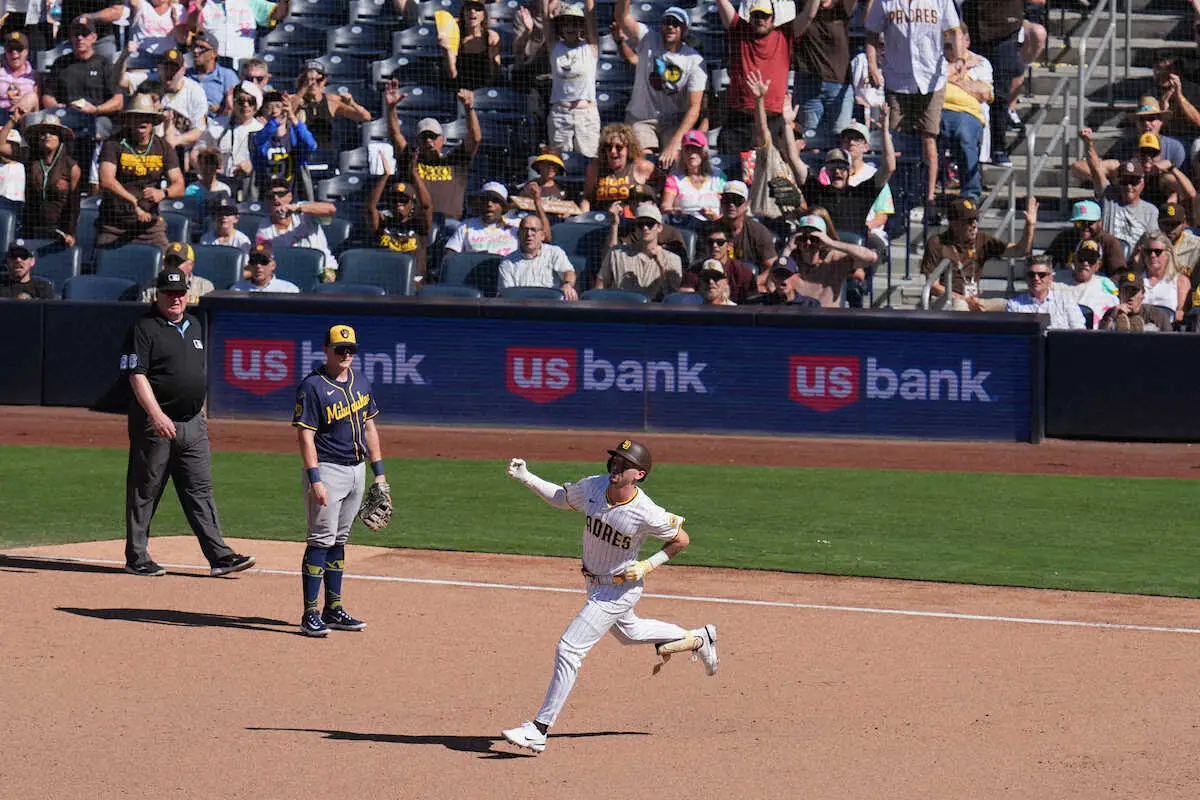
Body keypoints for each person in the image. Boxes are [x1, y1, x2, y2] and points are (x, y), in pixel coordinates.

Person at [500, 439, 718, 754]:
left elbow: (681, 539)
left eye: (624, 463)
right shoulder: (594, 486)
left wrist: (646, 566)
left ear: (639, 474)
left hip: (619, 589)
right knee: (630, 633)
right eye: (615, 459)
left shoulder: (647, 512)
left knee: (569, 648)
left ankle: (538, 729)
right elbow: (562, 498)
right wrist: (527, 478)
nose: (616, 466)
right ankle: (699, 638)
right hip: (594, 583)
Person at [121, 265, 256, 578]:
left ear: (187, 294)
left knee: (200, 489)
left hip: (193, 423)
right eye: (169, 293)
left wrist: (202, 412)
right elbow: (137, 375)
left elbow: (196, 374)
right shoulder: (143, 327)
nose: (175, 299)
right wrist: (156, 415)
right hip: (155, 424)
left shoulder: (195, 324)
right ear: (158, 295)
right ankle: (136, 556)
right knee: (146, 489)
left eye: (180, 293)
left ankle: (219, 555)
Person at [291, 323, 388, 637]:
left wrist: (380, 476)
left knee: (339, 541)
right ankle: (310, 614)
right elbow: (305, 437)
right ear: (327, 350)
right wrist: (315, 479)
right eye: (340, 349)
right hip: (328, 471)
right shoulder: (312, 387)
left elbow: (371, 429)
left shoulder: (361, 382)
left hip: (357, 470)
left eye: (351, 350)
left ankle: (333, 609)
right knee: (320, 539)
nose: (346, 354)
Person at [865, 0, 963, 215]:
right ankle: (894, 194)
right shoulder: (885, 2)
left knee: (929, 137)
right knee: (894, 138)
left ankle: (929, 198)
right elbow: (871, 34)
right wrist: (872, 65)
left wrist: (959, 59)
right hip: (897, 79)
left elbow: (954, 30)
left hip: (931, 79)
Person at [611, 2, 706, 169]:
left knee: (676, 160)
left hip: (673, 121)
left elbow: (694, 108)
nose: (670, 27)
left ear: (684, 29)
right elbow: (622, 17)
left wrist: (675, 144)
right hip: (642, 118)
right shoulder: (648, 38)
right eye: (667, 22)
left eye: (676, 24)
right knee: (643, 163)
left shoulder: (694, 60)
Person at [716, 0, 805, 158]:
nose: (760, 20)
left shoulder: (784, 35)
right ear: (750, 17)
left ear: (773, 18)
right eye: (756, 15)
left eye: (765, 16)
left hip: (773, 121)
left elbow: (809, 15)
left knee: (774, 176)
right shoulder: (739, 31)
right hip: (740, 120)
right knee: (733, 176)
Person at [96, 93, 184, 250]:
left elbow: (179, 185)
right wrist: (133, 202)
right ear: (129, 120)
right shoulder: (113, 144)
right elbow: (106, 180)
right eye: (137, 116)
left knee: (171, 263)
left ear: (153, 121)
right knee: (101, 266)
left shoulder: (163, 147)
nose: (142, 120)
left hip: (150, 226)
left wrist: (162, 193)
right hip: (114, 224)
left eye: (146, 117)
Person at [921, 195, 1038, 311]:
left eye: (976, 219)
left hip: (972, 300)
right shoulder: (937, 243)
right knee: (960, 306)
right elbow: (934, 286)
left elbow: (1020, 251)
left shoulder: (981, 240)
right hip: (946, 301)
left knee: (1011, 306)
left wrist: (1030, 226)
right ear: (954, 224)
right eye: (969, 221)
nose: (974, 224)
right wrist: (965, 300)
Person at [41, 18, 124, 167]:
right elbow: (48, 96)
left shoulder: (104, 64)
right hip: (67, 116)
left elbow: (118, 101)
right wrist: (57, 108)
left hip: (97, 116)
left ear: (94, 37)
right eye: (76, 34)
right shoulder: (61, 64)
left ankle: (95, 178)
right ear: (71, 37)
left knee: (99, 127)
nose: (80, 38)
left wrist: (96, 109)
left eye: (85, 34)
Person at [389, 86, 480, 221]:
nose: (429, 141)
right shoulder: (411, 160)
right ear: (417, 141)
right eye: (424, 137)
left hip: (451, 223)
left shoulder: (455, 160)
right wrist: (391, 109)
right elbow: (395, 135)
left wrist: (468, 108)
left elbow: (475, 139)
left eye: (433, 136)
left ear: (442, 140)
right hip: (420, 223)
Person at [0, 112, 80, 245]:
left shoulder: (71, 167)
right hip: (30, 228)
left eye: (52, 133)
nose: (47, 136)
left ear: (59, 138)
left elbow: (74, 204)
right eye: (43, 133)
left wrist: (70, 232)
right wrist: (13, 120)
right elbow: (1, 147)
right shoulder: (30, 156)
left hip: (58, 231)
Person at [960, 0, 1023, 168]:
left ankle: (998, 148)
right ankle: (970, 149)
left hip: (1005, 29)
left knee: (1000, 94)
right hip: (972, 27)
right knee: (966, 89)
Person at [1080, 129, 1160, 260]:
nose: (1129, 187)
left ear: (1142, 183)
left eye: (1134, 182)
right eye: (1125, 181)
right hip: (1106, 264)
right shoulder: (1108, 195)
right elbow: (1095, 169)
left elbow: (1153, 243)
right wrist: (1088, 143)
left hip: (1135, 266)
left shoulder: (1151, 211)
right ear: (1118, 181)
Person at [791, 0, 856, 151]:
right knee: (811, 142)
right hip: (808, 86)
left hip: (839, 85)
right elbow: (799, 26)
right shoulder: (802, 8)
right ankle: (813, 174)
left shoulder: (842, 9)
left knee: (841, 141)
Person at [939, 26, 993, 202]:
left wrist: (953, 79)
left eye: (953, 45)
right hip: (937, 109)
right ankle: (926, 189)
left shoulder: (981, 63)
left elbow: (984, 93)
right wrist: (962, 76)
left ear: (967, 42)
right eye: (947, 46)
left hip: (967, 112)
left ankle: (970, 190)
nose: (949, 50)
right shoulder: (936, 60)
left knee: (964, 134)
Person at [783, 212, 878, 307]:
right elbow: (773, 285)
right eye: (803, 238)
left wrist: (832, 243)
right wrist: (787, 250)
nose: (808, 242)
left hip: (828, 318)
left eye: (814, 239)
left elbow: (871, 257)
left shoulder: (835, 259)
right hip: (797, 316)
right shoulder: (790, 261)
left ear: (823, 240)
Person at [254, 177, 339, 280]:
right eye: (271, 196)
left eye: (281, 194)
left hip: (323, 268)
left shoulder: (304, 212)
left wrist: (298, 209)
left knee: (328, 278)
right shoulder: (264, 227)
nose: (276, 198)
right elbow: (264, 255)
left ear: (289, 196)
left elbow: (331, 209)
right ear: (267, 201)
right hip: (290, 271)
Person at [546, 0, 600, 157]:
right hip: (560, 116)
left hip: (586, 116)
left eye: (576, 24)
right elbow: (545, 19)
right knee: (559, 164)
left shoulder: (591, 48)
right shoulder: (555, 47)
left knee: (589, 162)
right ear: (561, 27)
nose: (571, 28)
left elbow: (590, 16)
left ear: (582, 27)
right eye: (567, 24)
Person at [594, 203, 682, 298]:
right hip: (620, 307)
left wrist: (661, 265)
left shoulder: (673, 259)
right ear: (635, 227)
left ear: (659, 227)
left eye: (650, 223)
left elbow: (672, 297)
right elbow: (600, 287)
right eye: (641, 224)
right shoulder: (616, 254)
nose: (645, 228)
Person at [194, 80, 264, 199]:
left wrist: (252, 166)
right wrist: (208, 171)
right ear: (234, 102)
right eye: (241, 101)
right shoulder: (216, 126)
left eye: (251, 101)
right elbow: (196, 153)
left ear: (256, 105)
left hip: (249, 187)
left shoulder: (262, 130)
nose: (245, 105)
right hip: (219, 185)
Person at [367, 165, 434, 284]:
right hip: (385, 280)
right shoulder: (383, 223)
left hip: (414, 284)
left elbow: (426, 206)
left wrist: (414, 175)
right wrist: (385, 176)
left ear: (412, 204)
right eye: (394, 199)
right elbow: (370, 208)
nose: (398, 203)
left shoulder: (419, 226)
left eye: (403, 199)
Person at [289, 60, 372, 155]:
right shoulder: (296, 100)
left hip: (325, 154)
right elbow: (287, 114)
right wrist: (303, 89)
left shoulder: (331, 101)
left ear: (324, 81)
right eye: (309, 80)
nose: (313, 83)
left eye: (319, 80)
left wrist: (352, 103)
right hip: (301, 153)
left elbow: (366, 117)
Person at [251, 89, 316, 200]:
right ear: (262, 111)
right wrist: (275, 123)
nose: (274, 111)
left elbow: (311, 145)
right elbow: (258, 143)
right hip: (266, 197)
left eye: (278, 106)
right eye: (269, 107)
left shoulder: (295, 135)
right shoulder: (259, 136)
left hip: (294, 196)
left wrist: (293, 117)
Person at [186, 0, 292, 65]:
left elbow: (278, 14)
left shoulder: (251, 2)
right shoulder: (203, 3)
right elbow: (192, 30)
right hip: (213, 66)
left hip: (243, 66)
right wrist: (198, 11)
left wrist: (285, 1)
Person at [581, 123, 656, 213]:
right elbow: (587, 198)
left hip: (632, 221)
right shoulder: (595, 167)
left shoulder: (642, 167)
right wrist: (584, 215)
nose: (613, 151)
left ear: (629, 148)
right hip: (602, 219)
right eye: (608, 147)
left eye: (619, 147)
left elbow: (662, 188)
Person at [499, 213, 578, 297]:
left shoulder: (555, 252)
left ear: (542, 236)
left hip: (551, 305)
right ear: (518, 234)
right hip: (521, 305)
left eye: (533, 230)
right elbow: (509, 295)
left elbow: (568, 272)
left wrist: (568, 285)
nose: (529, 234)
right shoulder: (507, 262)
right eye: (525, 230)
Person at [1045, 198, 1126, 277]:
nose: (1085, 227)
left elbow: (1119, 275)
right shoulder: (1064, 238)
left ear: (1100, 222)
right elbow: (1045, 264)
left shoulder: (1109, 242)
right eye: (1080, 223)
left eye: (1090, 223)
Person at [1004, 253, 1087, 329]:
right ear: (1026, 277)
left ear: (1051, 278)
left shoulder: (1066, 301)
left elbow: (1079, 331)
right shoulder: (1014, 306)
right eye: (1031, 274)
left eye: (1041, 275)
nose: (1036, 278)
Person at [679, 223, 758, 302]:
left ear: (729, 246)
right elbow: (686, 299)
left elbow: (751, 303)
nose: (714, 245)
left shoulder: (742, 272)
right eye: (710, 242)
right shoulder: (694, 270)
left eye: (720, 242)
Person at [443, 181, 521, 257]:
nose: (489, 204)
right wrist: (474, 258)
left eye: (495, 200)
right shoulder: (466, 226)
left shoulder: (516, 226)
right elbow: (450, 256)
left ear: (503, 206)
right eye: (485, 200)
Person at [1051, 239, 1117, 328]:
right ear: (1074, 259)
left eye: (1091, 259)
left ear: (1098, 265)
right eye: (1082, 258)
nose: (1085, 263)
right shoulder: (1053, 280)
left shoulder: (1106, 285)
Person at [661, 129, 725, 220]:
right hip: (685, 225)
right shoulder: (674, 179)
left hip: (714, 224)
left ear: (704, 152)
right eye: (687, 149)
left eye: (696, 149)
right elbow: (665, 207)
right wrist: (677, 211)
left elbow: (726, 206)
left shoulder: (718, 176)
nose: (691, 154)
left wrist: (716, 217)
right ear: (682, 153)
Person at [439, 0, 501, 90]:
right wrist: (446, 51)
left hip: (484, 87)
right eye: (468, 9)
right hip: (458, 86)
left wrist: (481, 94)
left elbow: (494, 74)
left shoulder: (491, 37)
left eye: (477, 9)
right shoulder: (453, 35)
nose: (472, 12)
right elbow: (452, 74)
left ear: (484, 15)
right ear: (463, 13)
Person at [717, 179, 777, 269]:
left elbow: (773, 267)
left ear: (747, 204)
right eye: (727, 199)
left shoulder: (758, 232)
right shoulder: (710, 230)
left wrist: (756, 281)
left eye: (737, 200)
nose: (731, 204)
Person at [1134, 230, 1188, 326]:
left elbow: (1181, 314)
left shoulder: (1180, 281)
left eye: (1157, 252)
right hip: (1139, 328)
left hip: (1167, 330)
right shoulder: (1136, 279)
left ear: (1168, 253)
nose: (1152, 255)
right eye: (1148, 251)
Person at [1099, 269, 1174, 332]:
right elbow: (1099, 340)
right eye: (1126, 291)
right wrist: (1112, 317)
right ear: (1119, 294)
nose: (1130, 296)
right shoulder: (1111, 313)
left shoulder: (1157, 315)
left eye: (1134, 292)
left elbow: (1170, 342)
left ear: (1143, 294)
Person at [140, 241, 215, 303]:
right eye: (169, 261)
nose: (173, 265)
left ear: (191, 265)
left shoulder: (204, 287)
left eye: (178, 262)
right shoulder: (151, 287)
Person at [187, 32, 239, 116]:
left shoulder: (227, 76)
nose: (196, 51)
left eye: (201, 48)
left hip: (218, 123)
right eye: (194, 47)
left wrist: (213, 108)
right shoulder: (186, 76)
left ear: (214, 53)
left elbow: (236, 107)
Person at [231, 241, 300, 292]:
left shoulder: (288, 290)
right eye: (254, 262)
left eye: (264, 262)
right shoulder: (237, 290)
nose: (258, 266)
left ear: (273, 265)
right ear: (249, 265)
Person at [1159, 200, 1200, 283]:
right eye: (1166, 224)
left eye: (1175, 224)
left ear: (1184, 224)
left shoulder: (1197, 245)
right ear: (1158, 223)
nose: (1170, 228)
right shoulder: (1150, 244)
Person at [0, 31, 38, 114]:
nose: (14, 52)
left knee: (32, 97)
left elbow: (37, 107)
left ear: (27, 51)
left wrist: (22, 101)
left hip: (25, 120)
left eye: (19, 49)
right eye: (10, 49)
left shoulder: (35, 76)